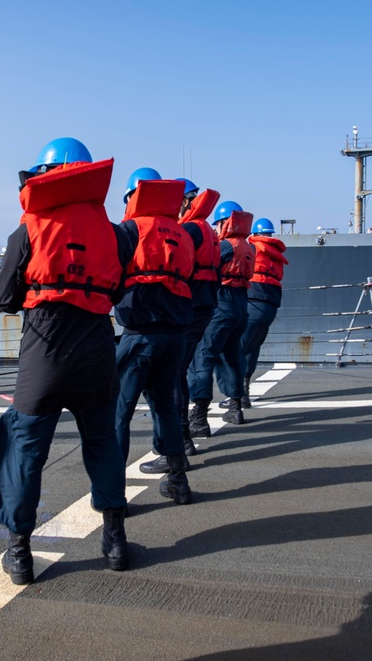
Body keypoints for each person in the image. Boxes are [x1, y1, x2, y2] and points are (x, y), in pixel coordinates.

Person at [0, 137, 130, 584]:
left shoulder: (29, 227)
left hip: (45, 352)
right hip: (96, 349)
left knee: (25, 450)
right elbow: (118, 289)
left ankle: (20, 552)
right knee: (104, 443)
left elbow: (2, 297)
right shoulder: (114, 232)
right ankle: (114, 540)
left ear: (45, 174)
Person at [114, 171, 197, 504]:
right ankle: (178, 481)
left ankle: (113, 494)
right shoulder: (183, 232)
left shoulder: (130, 230)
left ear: (133, 196)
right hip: (175, 335)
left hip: (140, 336)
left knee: (118, 412)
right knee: (165, 405)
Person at [143, 180, 221, 464]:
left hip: (188, 307)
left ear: (185, 202)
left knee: (171, 374)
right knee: (179, 371)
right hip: (206, 305)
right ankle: (183, 437)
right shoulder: (208, 230)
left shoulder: (189, 229)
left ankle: (177, 445)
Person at [186, 201, 255, 435]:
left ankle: (199, 418)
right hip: (241, 305)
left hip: (222, 303)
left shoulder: (225, 246)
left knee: (203, 356)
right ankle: (236, 407)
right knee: (232, 355)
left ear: (226, 222)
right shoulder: (249, 246)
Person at [219, 217, 288, 409]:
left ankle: (238, 397)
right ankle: (245, 391)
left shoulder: (253, 247)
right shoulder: (275, 253)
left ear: (255, 234)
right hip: (270, 306)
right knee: (253, 347)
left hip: (253, 303)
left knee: (237, 348)